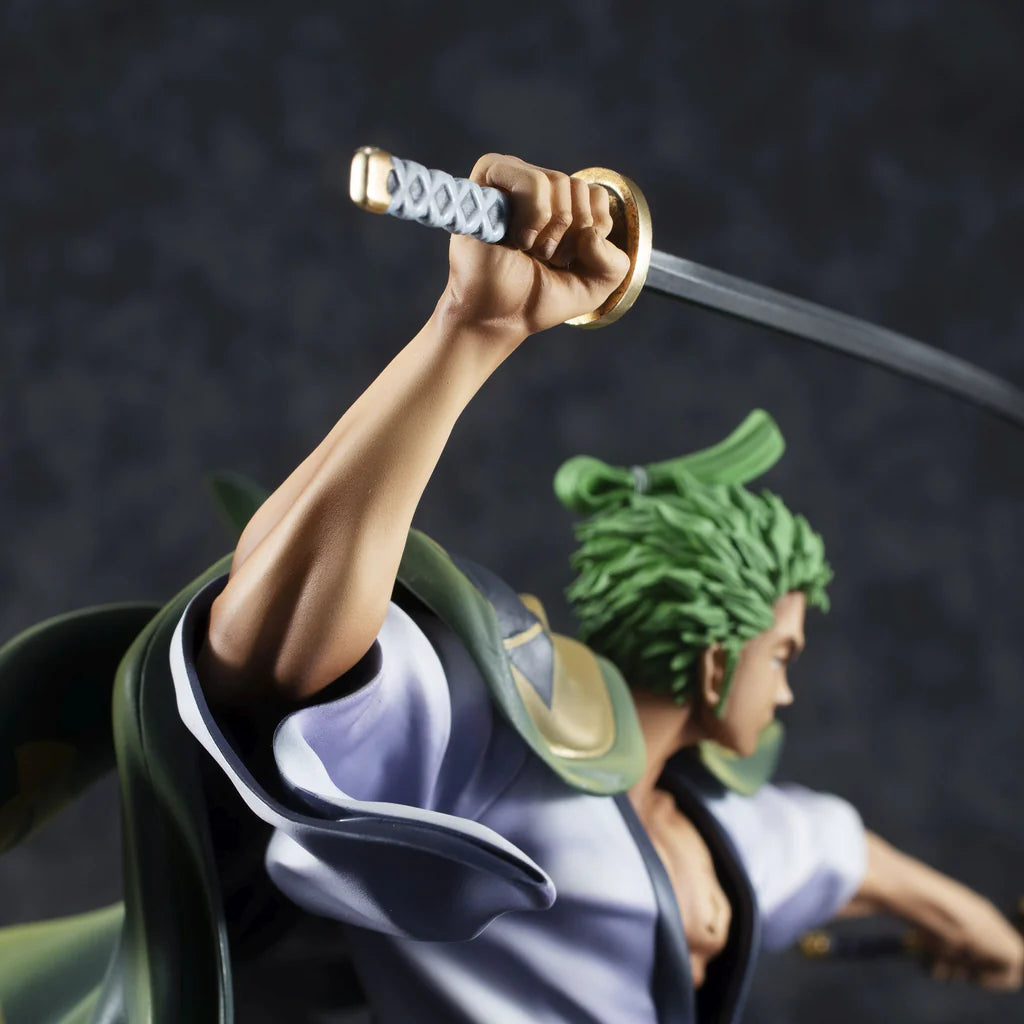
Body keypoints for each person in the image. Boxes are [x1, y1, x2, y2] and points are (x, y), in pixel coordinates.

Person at [169, 153, 1023, 1021]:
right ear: (719, 661)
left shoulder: (706, 826)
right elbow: (270, 664)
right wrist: (472, 329)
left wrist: (975, 925)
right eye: (783, 655)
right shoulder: (497, 776)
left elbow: (837, 851)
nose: (789, 691)